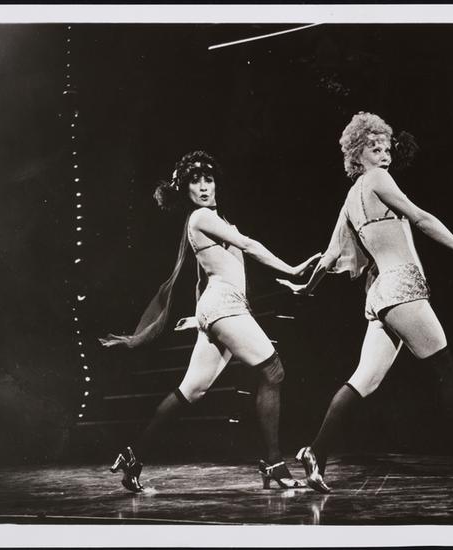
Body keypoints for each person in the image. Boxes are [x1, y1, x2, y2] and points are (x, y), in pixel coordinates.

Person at [278, 112, 453, 493]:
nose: (384, 155)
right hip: (401, 287)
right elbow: (421, 218)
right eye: (374, 148)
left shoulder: (350, 199)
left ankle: (316, 451)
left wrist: (307, 289)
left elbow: (330, 255)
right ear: (357, 153)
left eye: (386, 149)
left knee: (363, 380)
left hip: (380, 294)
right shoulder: (378, 180)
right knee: (445, 370)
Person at [101, 150, 319, 492]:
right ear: (185, 190)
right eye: (194, 182)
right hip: (224, 307)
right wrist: (292, 269)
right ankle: (275, 463)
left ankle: (133, 457)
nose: (203, 187)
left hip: (217, 308)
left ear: (217, 183)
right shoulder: (201, 217)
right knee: (273, 371)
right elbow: (247, 245)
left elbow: (203, 277)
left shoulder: (214, 221)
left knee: (191, 390)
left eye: (208, 179)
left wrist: (199, 317)